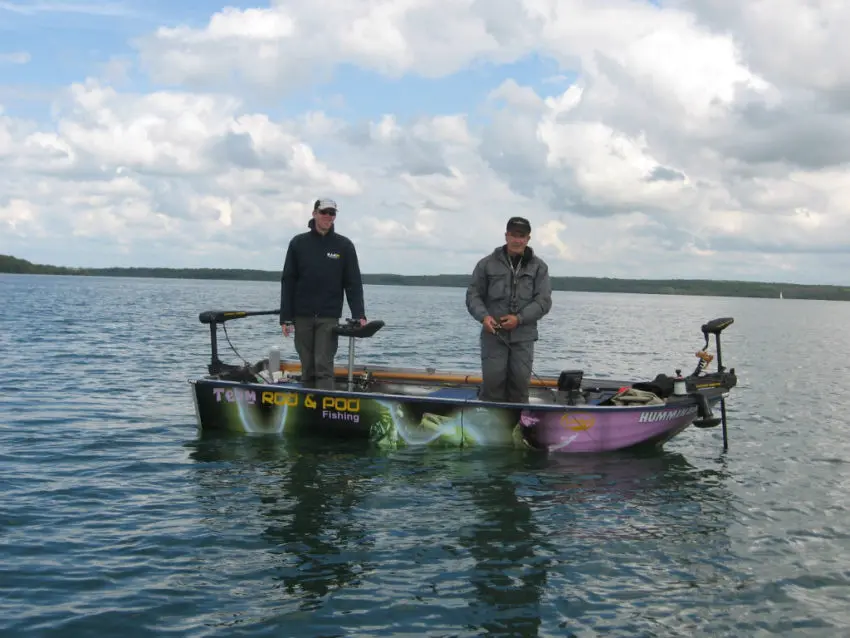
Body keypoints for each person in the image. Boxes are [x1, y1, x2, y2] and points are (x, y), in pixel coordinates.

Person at [279, 198, 367, 390]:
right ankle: (308, 406)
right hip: (302, 315)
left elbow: (353, 283)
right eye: (324, 212)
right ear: (314, 213)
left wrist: (359, 314)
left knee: (323, 364)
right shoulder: (298, 243)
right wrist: (285, 317)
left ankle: (326, 408)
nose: (328, 216)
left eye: (332, 213)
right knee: (307, 365)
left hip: (328, 317)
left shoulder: (344, 246)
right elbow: (288, 281)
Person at [465, 216, 552, 403]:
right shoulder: (486, 264)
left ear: (528, 238)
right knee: (493, 385)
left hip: (524, 338)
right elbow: (473, 295)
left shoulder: (539, 267)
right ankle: (492, 427)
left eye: (522, 236)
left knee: (520, 386)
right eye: (513, 235)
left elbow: (544, 301)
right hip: (493, 336)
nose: (517, 240)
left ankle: (518, 428)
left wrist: (519, 319)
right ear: (506, 236)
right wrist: (483, 317)